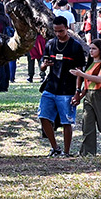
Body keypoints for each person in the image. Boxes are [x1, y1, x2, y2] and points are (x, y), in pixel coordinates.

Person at [39, 16, 88, 157]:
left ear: (67, 28)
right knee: (43, 116)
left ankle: (66, 152)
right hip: (50, 87)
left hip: (67, 89)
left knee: (67, 121)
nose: (58, 34)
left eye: (61, 31)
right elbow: (42, 66)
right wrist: (44, 65)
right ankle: (55, 147)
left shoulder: (75, 46)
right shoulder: (50, 44)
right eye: (55, 31)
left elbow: (80, 71)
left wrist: (77, 91)